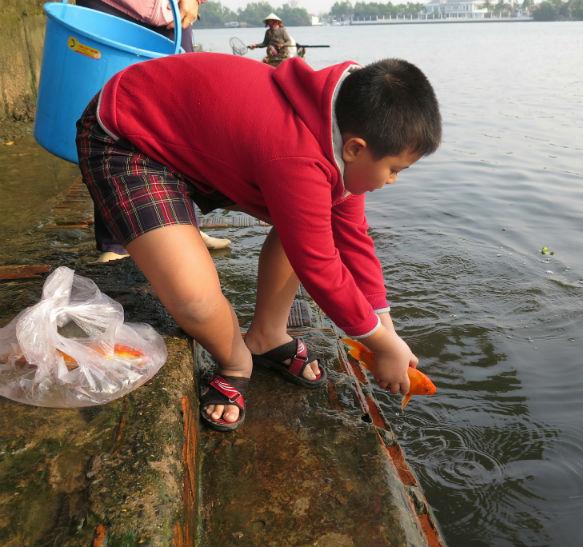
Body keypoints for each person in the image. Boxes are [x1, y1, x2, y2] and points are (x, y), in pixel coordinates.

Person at [75, 53, 442, 431]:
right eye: (394, 170)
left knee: (312, 218)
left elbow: (353, 239)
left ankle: (267, 335)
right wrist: (380, 345)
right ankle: (236, 360)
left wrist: (387, 328)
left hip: (198, 144)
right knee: (195, 300)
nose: (393, 180)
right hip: (128, 139)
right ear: (355, 149)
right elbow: (319, 266)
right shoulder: (296, 153)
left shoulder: (338, 123)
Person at [75, 0, 232, 261]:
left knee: (179, 121)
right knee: (108, 117)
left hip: (172, 13)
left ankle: (187, 228)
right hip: (111, 7)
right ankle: (116, 241)